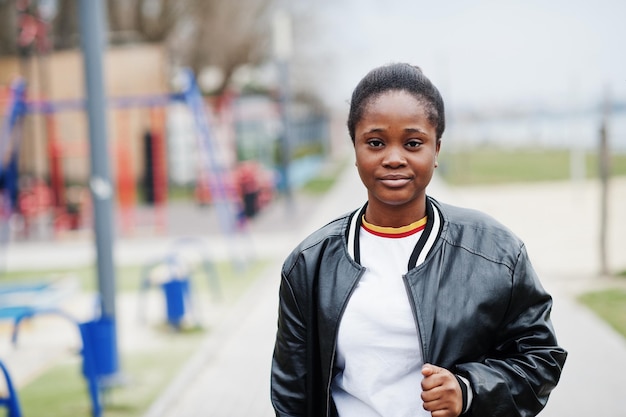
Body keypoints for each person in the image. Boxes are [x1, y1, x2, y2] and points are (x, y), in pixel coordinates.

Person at [271, 63, 566, 417]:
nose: (394, 158)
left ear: (436, 149)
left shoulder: (497, 253)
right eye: (375, 142)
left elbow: (540, 358)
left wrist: (469, 390)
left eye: (413, 143)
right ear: (355, 148)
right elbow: (292, 394)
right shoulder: (310, 264)